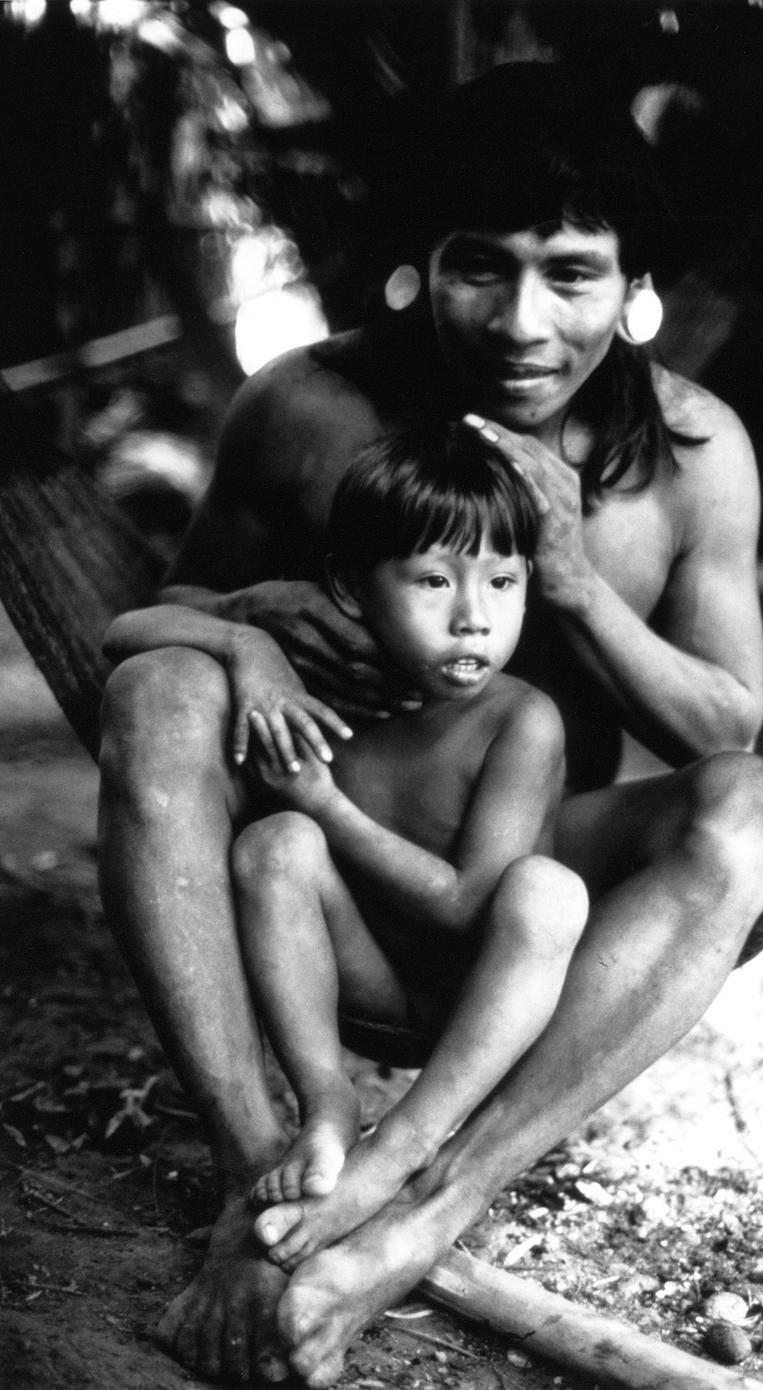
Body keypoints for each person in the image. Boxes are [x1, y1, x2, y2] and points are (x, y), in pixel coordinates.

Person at [96, 62, 763, 1388]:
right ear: (422, 264)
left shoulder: (695, 455)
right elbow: (167, 612)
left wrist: (574, 572)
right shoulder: (313, 407)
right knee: (157, 686)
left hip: (533, 926)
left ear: (632, 280)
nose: (522, 322)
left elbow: (728, 729)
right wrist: (253, 619)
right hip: (323, 903)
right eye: (481, 267)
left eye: (572, 271)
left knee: (761, 806)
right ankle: (266, 1188)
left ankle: (422, 1209)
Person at [103, 420, 589, 1223]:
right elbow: (125, 635)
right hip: (355, 980)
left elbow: (471, 904)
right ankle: (327, 1102)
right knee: (276, 844)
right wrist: (244, 645)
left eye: (503, 583)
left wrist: (324, 804)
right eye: (434, 582)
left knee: (547, 892)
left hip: (477, 1007)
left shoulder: (521, 720)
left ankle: (414, 1137)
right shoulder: (324, 675)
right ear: (352, 588)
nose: (473, 617)